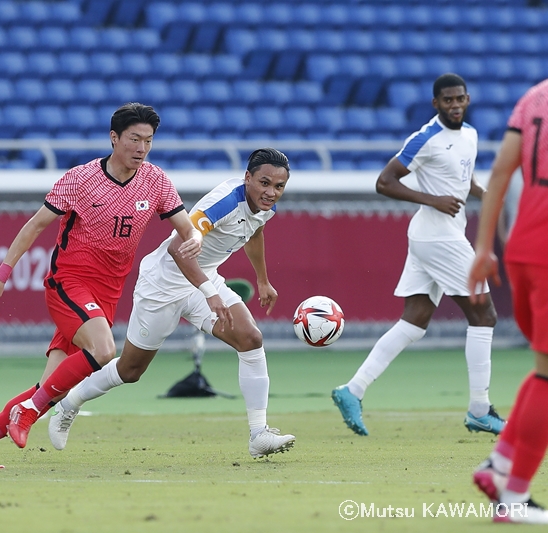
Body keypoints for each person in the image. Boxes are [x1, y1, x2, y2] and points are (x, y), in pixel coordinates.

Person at [0, 103, 204, 468]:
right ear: (114, 137)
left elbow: (185, 226)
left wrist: (193, 238)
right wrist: (1, 276)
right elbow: (35, 226)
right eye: (135, 139)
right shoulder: (80, 180)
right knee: (103, 352)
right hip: (69, 284)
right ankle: (25, 411)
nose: (142, 148)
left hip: (107, 294)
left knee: (50, 389)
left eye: (148, 141)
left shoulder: (156, 180)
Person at [47, 148, 295, 458]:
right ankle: (69, 404)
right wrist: (210, 292)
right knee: (130, 369)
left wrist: (262, 279)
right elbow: (179, 248)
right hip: (163, 284)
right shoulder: (224, 202)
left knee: (251, 338)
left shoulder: (264, 206)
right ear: (247, 178)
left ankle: (258, 434)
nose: (271, 192)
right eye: (264, 183)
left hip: (203, 280)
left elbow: (256, 231)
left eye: (279, 187)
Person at [331, 73, 503, 436]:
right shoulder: (425, 139)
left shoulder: (470, 135)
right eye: (447, 100)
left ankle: (352, 389)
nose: (454, 105)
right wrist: (432, 200)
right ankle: (479, 409)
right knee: (484, 314)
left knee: (415, 320)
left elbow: (463, 180)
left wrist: (484, 196)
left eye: (460, 99)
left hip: (435, 236)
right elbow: (384, 181)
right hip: (437, 236)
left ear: (467, 100)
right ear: (435, 104)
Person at [468, 79, 548, 524]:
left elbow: (500, 172)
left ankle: (500, 466)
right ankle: (514, 499)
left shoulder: (534, 96)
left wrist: (483, 247)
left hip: (522, 249)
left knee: (544, 373)